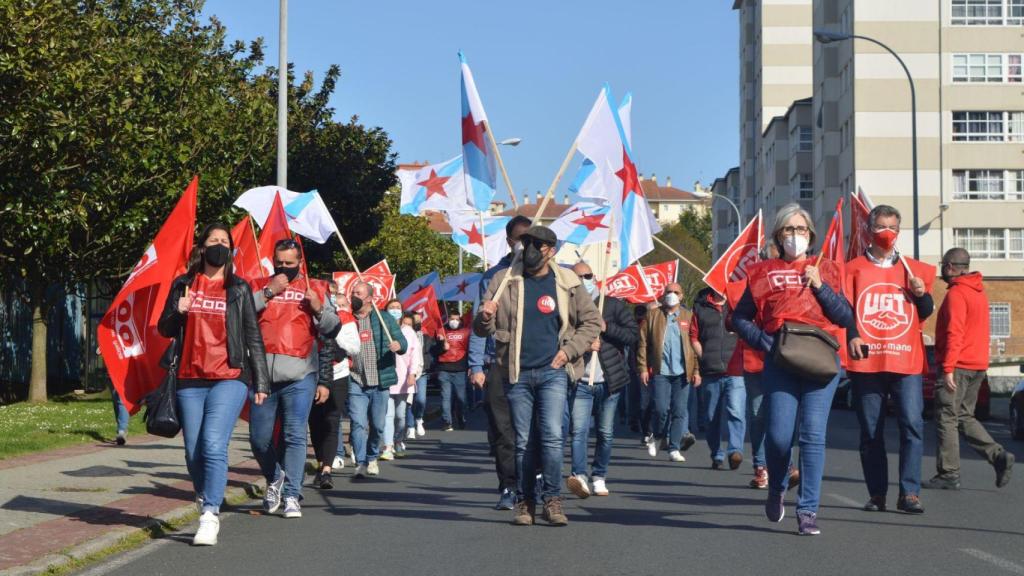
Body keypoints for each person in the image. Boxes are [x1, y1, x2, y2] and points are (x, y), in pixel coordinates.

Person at [731, 203, 854, 535]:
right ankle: (776, 487)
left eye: (801, 229)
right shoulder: (761, 271)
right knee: (779, 437)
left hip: (820, 362)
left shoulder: (827, 269)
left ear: (811, 235)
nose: (795, 235)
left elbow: (845, 317)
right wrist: (762, 340)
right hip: (780, 361)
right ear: (778, 235)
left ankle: (808, 511)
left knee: (813, 435)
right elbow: (739, 318)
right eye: (788, 229)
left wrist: (820, 287)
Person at [475, 225, 601, 526]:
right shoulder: (504, 279)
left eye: (538, 245)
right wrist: (485, 316)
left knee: (553, 437)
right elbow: (481, 329)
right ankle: (525, 502)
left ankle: (552, 500)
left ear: (551, 251)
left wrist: (568, 351)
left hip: (553, 372)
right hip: (516, 372)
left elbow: (592, 322)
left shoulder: (568, 282)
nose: (531, 249)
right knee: (523, 442)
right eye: (527, 243)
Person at [157, 223, 270, 546]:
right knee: (193, 452)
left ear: (230, 251)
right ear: (202, 248)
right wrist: (178, 311)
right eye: (213, 240)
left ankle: (209, 514)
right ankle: (205, 493)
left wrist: (261, 380)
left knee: (213, 443)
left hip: (229, 376)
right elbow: (165, 329)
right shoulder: (184, 284)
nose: (219, 245)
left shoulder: (239, 288)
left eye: (225, 241)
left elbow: (252, 335)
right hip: (189, 378)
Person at [844, 205, 934, 514]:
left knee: (912, 425)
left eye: (893, 228)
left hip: (905, 361)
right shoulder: (852, 269)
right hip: (867, 363)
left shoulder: (913, 270)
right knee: (871, 431)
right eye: (881, 226)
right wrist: (852, 335)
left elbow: (925, 312)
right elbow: (844, 311)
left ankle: (910, 493)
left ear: (899, 231)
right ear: (869, 230)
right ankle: (877, 493)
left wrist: (921, 294)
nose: (887, 233)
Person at [249, 239, 340, 519]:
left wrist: (318, 308)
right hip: (263, 375)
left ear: (300, 262)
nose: (284, 267)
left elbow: (333, 329)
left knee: (295, 434)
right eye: (280, 263)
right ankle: (274, 477)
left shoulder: (316, 288)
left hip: (301, 374)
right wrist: (268, 292)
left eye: (290, 263)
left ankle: (292, 494)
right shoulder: (258, 284)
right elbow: (240, 315)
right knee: (259, 439)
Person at [924, 247, 1015, 490]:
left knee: (946, 417)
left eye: (943, 266)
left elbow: (955, 333)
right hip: (977, 365)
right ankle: (998, 456)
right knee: (964, 416)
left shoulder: (957, 294)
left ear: (950, 267)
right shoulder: (978, 292)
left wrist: (948, 368)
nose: (942, 271)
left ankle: (948, 473)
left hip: (959, 366)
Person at [468, 215, 532, 510]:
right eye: (521, 239)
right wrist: (476, 365)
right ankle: (508, 486)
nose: (527, 245)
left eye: (532, 239)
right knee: (502, 430)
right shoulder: (494, 277)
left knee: (534, 430)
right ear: (509, 241)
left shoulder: (546, 276)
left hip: (535, 363)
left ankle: (535, 481)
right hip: (499, 361)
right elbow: (480, 321)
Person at [565, 261, 638, 498]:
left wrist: (607, 329)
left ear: (595, 278)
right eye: (578, 277)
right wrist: (584, 346)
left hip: (609, 381)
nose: (583, 280)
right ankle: (579, 475)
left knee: (605, 432)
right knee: (579, 431)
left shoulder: (613, 305)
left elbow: (632, 335)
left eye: (587, 276)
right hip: (581, 381)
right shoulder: (569, 306)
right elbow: (561, 338)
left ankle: (599, 475)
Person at [348, 282, 407, 478]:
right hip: (355, 380)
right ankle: (361, 462)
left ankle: (372, 456)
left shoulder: (384, 318)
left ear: (369, 298)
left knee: (378, 425)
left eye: (358, 293)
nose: (354, 296)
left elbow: (402, 342)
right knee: (357, 423)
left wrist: (398, 345)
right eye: (352, 292)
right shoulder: (347, 318)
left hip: (380, 382)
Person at [637, 283, 698, 463]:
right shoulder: (653, 315)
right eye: (669, 292)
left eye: (676, 292)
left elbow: (694, 345)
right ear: (663, 295)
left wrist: (696, 370)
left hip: (682, 372)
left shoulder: (689, 316)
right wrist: (642, 368)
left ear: (681, 296)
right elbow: (642, 343)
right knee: (661, 408)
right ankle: (657, 435)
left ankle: (674, 448)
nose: (672, 295)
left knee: (679, 411)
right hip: (661, 371)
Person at [308, 290, 359, 490]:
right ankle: (321, 462)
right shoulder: (309, 315)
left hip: (338, 374)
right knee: (315, 422)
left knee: (331, 420)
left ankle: (327, 471)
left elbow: (354, 348)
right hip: (312, 373)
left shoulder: (346, 319)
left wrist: (336, 335)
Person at [690, 287, 744, 470]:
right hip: (711, 371)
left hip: (735, 370)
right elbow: (693, 336)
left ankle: (735, 451)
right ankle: (717, 453)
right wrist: (704, 357)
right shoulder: (700, 308)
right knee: (711, 416)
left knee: (736, 411)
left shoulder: (737, 305)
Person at [382, 305, 420, 460]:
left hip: (404, 379)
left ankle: (398, 440)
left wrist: (412, 373)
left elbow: (415, 354)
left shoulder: (408, 331)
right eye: (391, 307)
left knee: (400, 416)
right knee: (388, 415)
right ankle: (388, 447)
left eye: (397, 307)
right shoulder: (382, 328)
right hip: (386, 378)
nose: (394, 310)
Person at [434, 308, 471, 431]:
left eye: (456, 319)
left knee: (461, 398)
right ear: (448, 319)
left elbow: (470, 350)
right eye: (452, 319)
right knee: (446, 397)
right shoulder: (441, 332)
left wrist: (471, 367)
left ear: (460, 320)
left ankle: (461, 416)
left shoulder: (466, 332)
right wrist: (441, 346)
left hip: (460, 370)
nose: (454, 321)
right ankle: (447, 422)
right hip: (444, 369)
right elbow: (434, 351)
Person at [406, 311, 431, 440]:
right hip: (407, 373)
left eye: (418, 321)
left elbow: (431, 350)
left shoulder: (425, 336)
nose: (417, 323)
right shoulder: (403, 335)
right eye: (414, 321)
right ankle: (410, 427)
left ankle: (419, 418)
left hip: (422, 372)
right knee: (409, 401)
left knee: (421, 400)